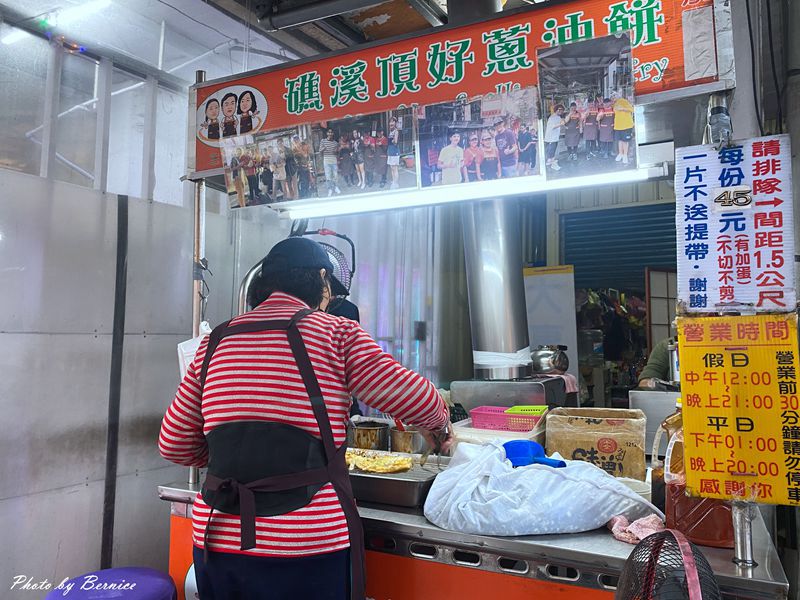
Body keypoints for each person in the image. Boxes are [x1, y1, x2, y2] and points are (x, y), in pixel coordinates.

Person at [158, 237, 451, 600]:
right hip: (306, 542)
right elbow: (420, 400)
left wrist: (241, 459)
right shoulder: (335, 333)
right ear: (322, 281)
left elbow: (174, 442)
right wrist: (439, 424)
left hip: (218, 538)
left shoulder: (215, 341)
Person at [612, 91, 635, 165]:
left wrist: (622, 108)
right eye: (612, 96)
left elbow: (632, 109)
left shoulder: (624, 101)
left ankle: (625, 155)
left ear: (618, 95)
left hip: (626, 125)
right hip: (618, 126)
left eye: (614, 95)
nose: (613, 97)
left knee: (625, 141)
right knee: (619, 140)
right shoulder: (614, 104)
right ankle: (620, 154)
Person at [318, 129, 341, 196]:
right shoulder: (323, 141)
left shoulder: (335, 143)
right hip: (326, 160)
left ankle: (336, 187)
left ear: (333, 133)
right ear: (327, 133)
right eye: (329, 132)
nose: (330, 133)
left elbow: (337, 153)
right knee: (328, 176)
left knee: (335, 175)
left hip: (334, 160)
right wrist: (323, 149)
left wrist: (336, 151)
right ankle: (330, 189)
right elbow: (320, 151)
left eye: (331, 132)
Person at [544, 104, 565, 171]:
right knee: (551, 152)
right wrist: (560, 124)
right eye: (559, 109)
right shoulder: (552, 117)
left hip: (555, 138)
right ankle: (552, 165)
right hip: (551, 138)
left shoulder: (558, 117)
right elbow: (553, 126)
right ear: (556, 110)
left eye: (562, 110)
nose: (561, 111)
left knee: (552, 152)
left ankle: (550, 163)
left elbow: (561, 124)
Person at [386, 118, 401, 189]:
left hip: (395, 152)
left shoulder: (396, 131)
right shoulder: (390, 132)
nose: (391, 123)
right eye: (390, 122)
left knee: (395, 168)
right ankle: (394, 181)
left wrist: (392, 141)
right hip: (390, 152)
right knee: (392, 168)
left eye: (393, 122)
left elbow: (395, 142)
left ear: (395, 123)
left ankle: (396, 183)